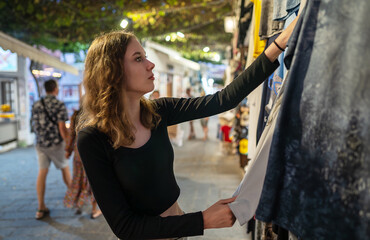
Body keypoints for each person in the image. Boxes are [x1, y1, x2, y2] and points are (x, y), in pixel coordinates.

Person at [76, 16, 298, 240]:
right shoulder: (93, 138)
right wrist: (203, 220)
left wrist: (279, 44)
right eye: (138, 58)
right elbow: (125, 227)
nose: (150, 64)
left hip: (178, 231)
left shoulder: (158, 112)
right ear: (112, 72)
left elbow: (224, 100)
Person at [31, 79, 71, 220]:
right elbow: (62, 128)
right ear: (55, 89)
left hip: (40, 144)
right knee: (64, 168)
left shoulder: (36, 104)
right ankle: (74, 198)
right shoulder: (58, 104)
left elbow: (33, 124)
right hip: (56, 144)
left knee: (42, 172)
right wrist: (68, 143)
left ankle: (41, 207)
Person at [64, 104, 102, 219]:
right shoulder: (98, 115)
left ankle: (78, 205)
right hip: (93, 154)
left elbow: (71, 134)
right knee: (94, 182)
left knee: (78, 180)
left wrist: (68, 150)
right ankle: (95, 210)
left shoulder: (76, 115)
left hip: (78, 154)